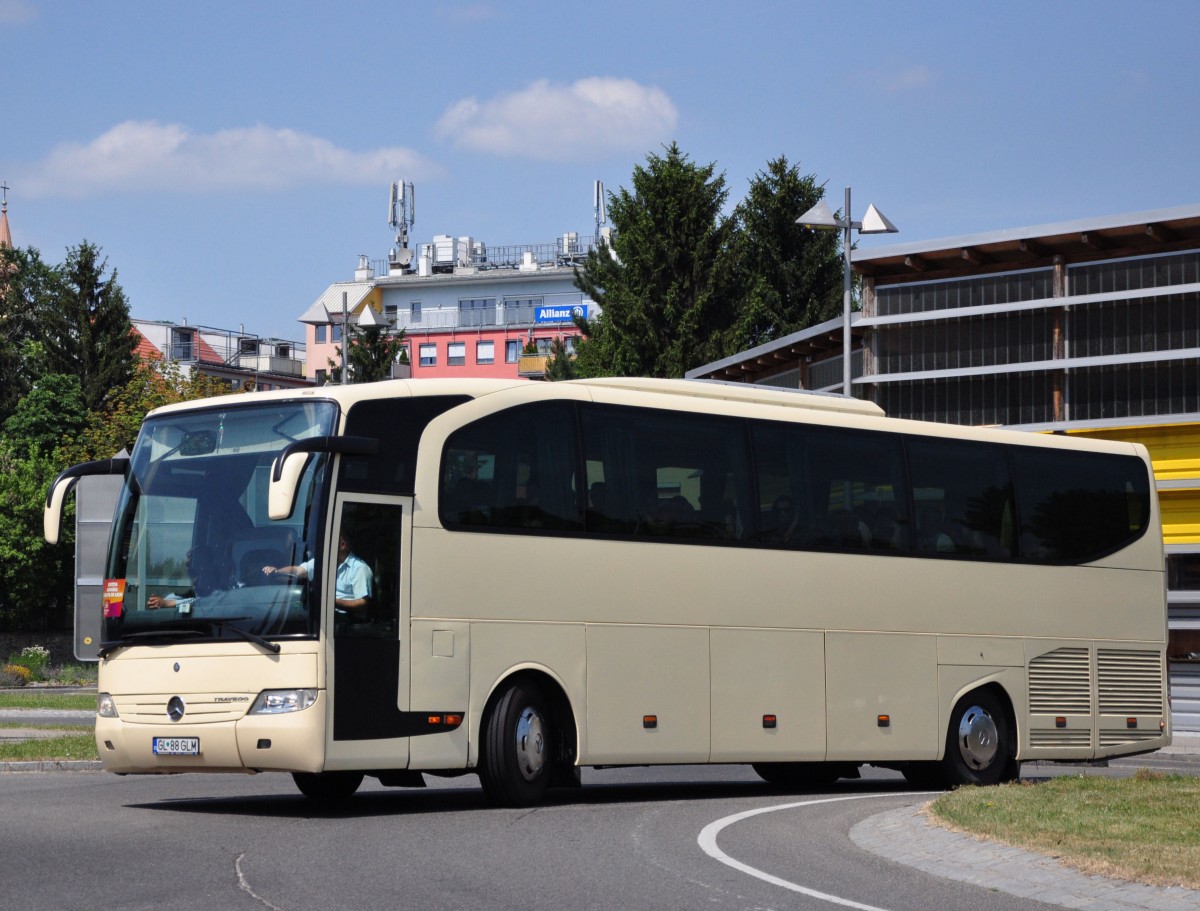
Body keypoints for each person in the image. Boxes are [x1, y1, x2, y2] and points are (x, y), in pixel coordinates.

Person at [262, 532, 373, 616]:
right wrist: (277, 571)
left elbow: (362, 604)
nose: (323, 545)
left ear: (342, 545)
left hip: (346, 622)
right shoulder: (324, 560)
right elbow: (298, 570)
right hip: (322, 615)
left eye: (328, 541)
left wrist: (331, 601)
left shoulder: (360, 568)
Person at [148, 546, 232, 613]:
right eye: (188, 566)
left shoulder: (220, 591)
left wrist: (167, 603)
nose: (188, 568)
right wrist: (156, 603)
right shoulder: (188, 593)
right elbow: (179, 601)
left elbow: (201, 602)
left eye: (192, 564)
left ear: (206, 566)